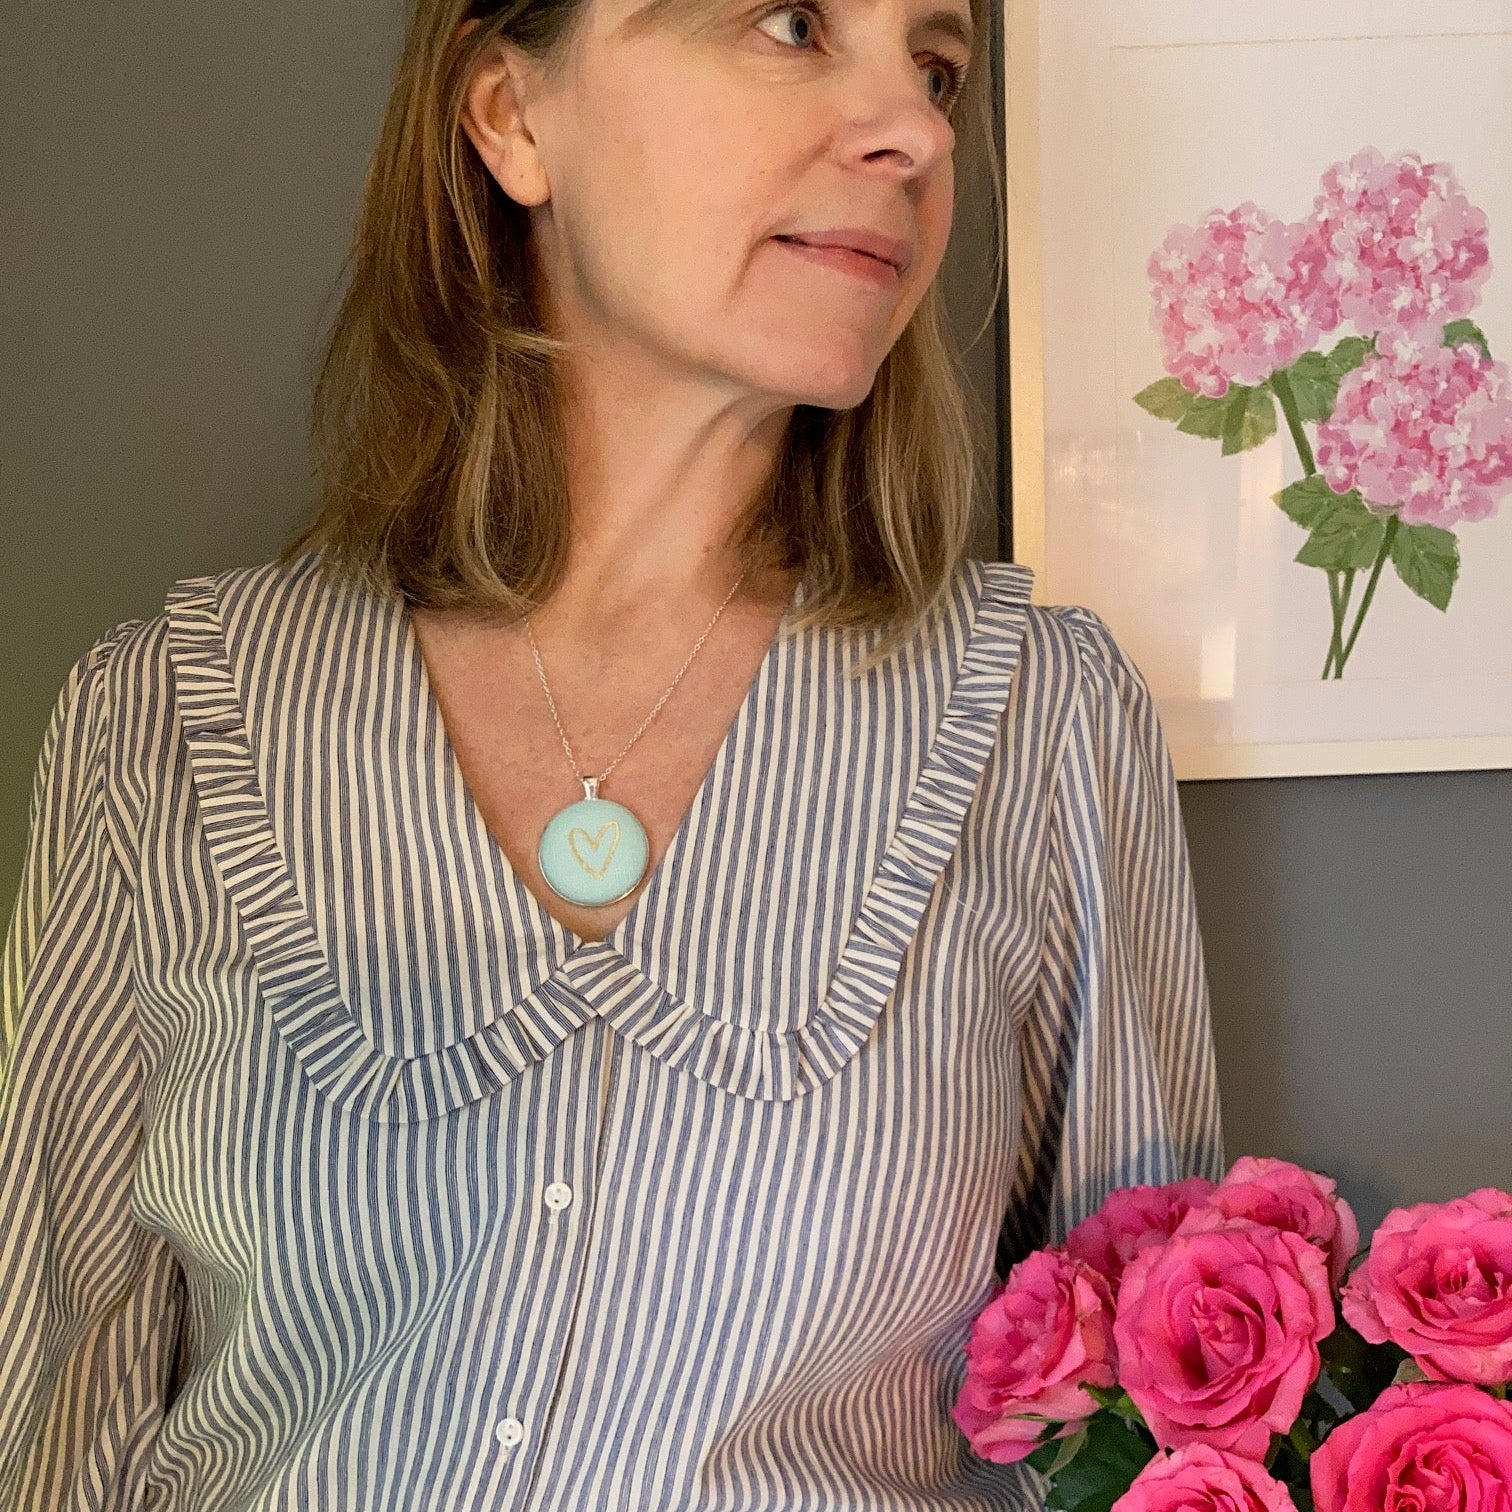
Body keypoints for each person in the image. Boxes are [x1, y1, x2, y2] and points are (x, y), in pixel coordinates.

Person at [0, 0, 1226, 1504]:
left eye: (938, 67)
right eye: (788, 24)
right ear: (513, 117)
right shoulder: (169, 720)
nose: (911, 128)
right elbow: (58, 1399)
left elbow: (1155, 1429)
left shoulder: (1042, 720)